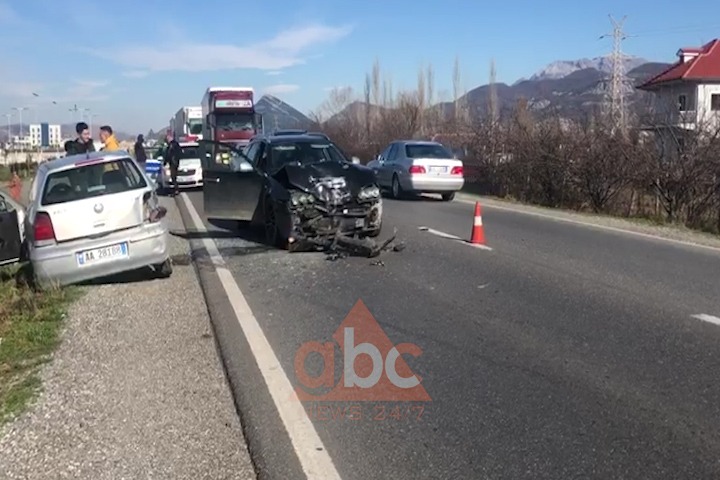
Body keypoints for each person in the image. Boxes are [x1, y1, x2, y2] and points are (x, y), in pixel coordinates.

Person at [162, 131, 181, 196]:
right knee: (174, 177)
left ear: (170, 137)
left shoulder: (171, 145)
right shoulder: (175, 144)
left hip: (173, 163)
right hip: (175, 162)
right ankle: (176, 190)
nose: (167, 139)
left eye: (167, 137)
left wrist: (165, 162)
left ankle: (176, 190)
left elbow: (169, 155)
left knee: (173, 177)